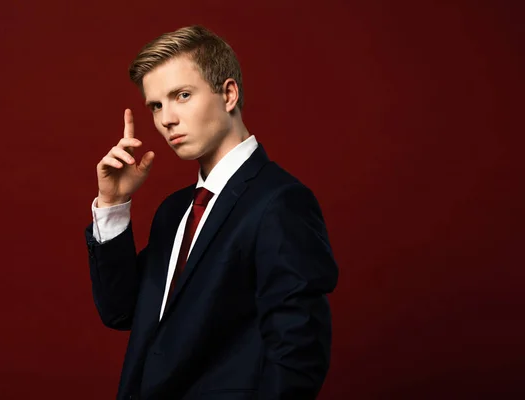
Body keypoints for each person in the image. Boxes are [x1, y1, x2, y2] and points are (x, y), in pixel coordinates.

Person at [84, 25, 339, 400]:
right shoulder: (174, 211)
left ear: (229, 94)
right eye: (156, 105)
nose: (166, 118)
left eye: (182, 95)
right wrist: (112, 205)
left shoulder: (280, 202)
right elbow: (120, 313)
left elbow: (297, 353)